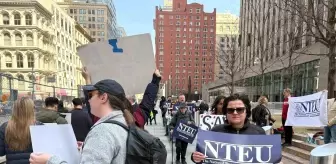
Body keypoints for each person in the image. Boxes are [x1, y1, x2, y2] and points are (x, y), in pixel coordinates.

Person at [29, 79, 134, 164]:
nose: (88, 100)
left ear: (103, 97)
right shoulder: (123, 121)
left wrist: (49, 160)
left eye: (90, 96)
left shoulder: (102, 132)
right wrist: (87, 146)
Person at [191, 94, 265, 163]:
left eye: (240, 109)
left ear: (247, 111)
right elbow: (204, 157)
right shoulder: (216, 131)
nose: (235, 113)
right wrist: (195, 158)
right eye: (230, 110)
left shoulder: (259, 133)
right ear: (226, 112)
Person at [0, 97, 44, 163]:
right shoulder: (39, 126)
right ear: (32, 109)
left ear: (14, 109)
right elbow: (44, 152)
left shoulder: (5, 127)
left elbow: (1, 152)